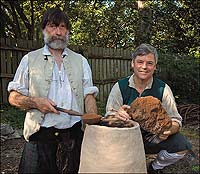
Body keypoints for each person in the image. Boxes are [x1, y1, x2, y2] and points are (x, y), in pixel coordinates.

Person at [7, 7, 98, 174]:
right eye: (52, 26)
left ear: (68, 31)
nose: (58, 32)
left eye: (62, 27)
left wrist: (91, 117)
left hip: (73, 137)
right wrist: (35, 102)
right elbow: (13, 97)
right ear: (44, 29)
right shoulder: (29, 60)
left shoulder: (81, 61)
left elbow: (88, 94)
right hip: (39, 136)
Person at [105, 43, 192, 174]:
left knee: (181, 145)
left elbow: (176, 120)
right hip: (126, 138)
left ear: (155, 66)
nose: (144, 67)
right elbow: (107, 117)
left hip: (153, 137)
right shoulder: (120, 87)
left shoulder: (163, 89)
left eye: (149, 63)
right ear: (132, 64)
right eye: (140, 62)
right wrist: (116, 115)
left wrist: (169, 130)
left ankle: (155, 167)